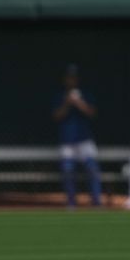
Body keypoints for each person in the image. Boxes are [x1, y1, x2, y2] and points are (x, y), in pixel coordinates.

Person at [52, 64, 101, 207]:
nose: (71, 81)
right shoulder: (59, 95)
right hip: (67, 142)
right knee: (67, 170)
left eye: (73, 78)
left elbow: (92, 113)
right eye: (69, 78)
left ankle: (96, 202)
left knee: (92, 169)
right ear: (65, 79)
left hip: (84, 140)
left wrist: (79, 103)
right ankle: (71, 203)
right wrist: (67, 103)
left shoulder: (85, 94)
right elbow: (56, 116)